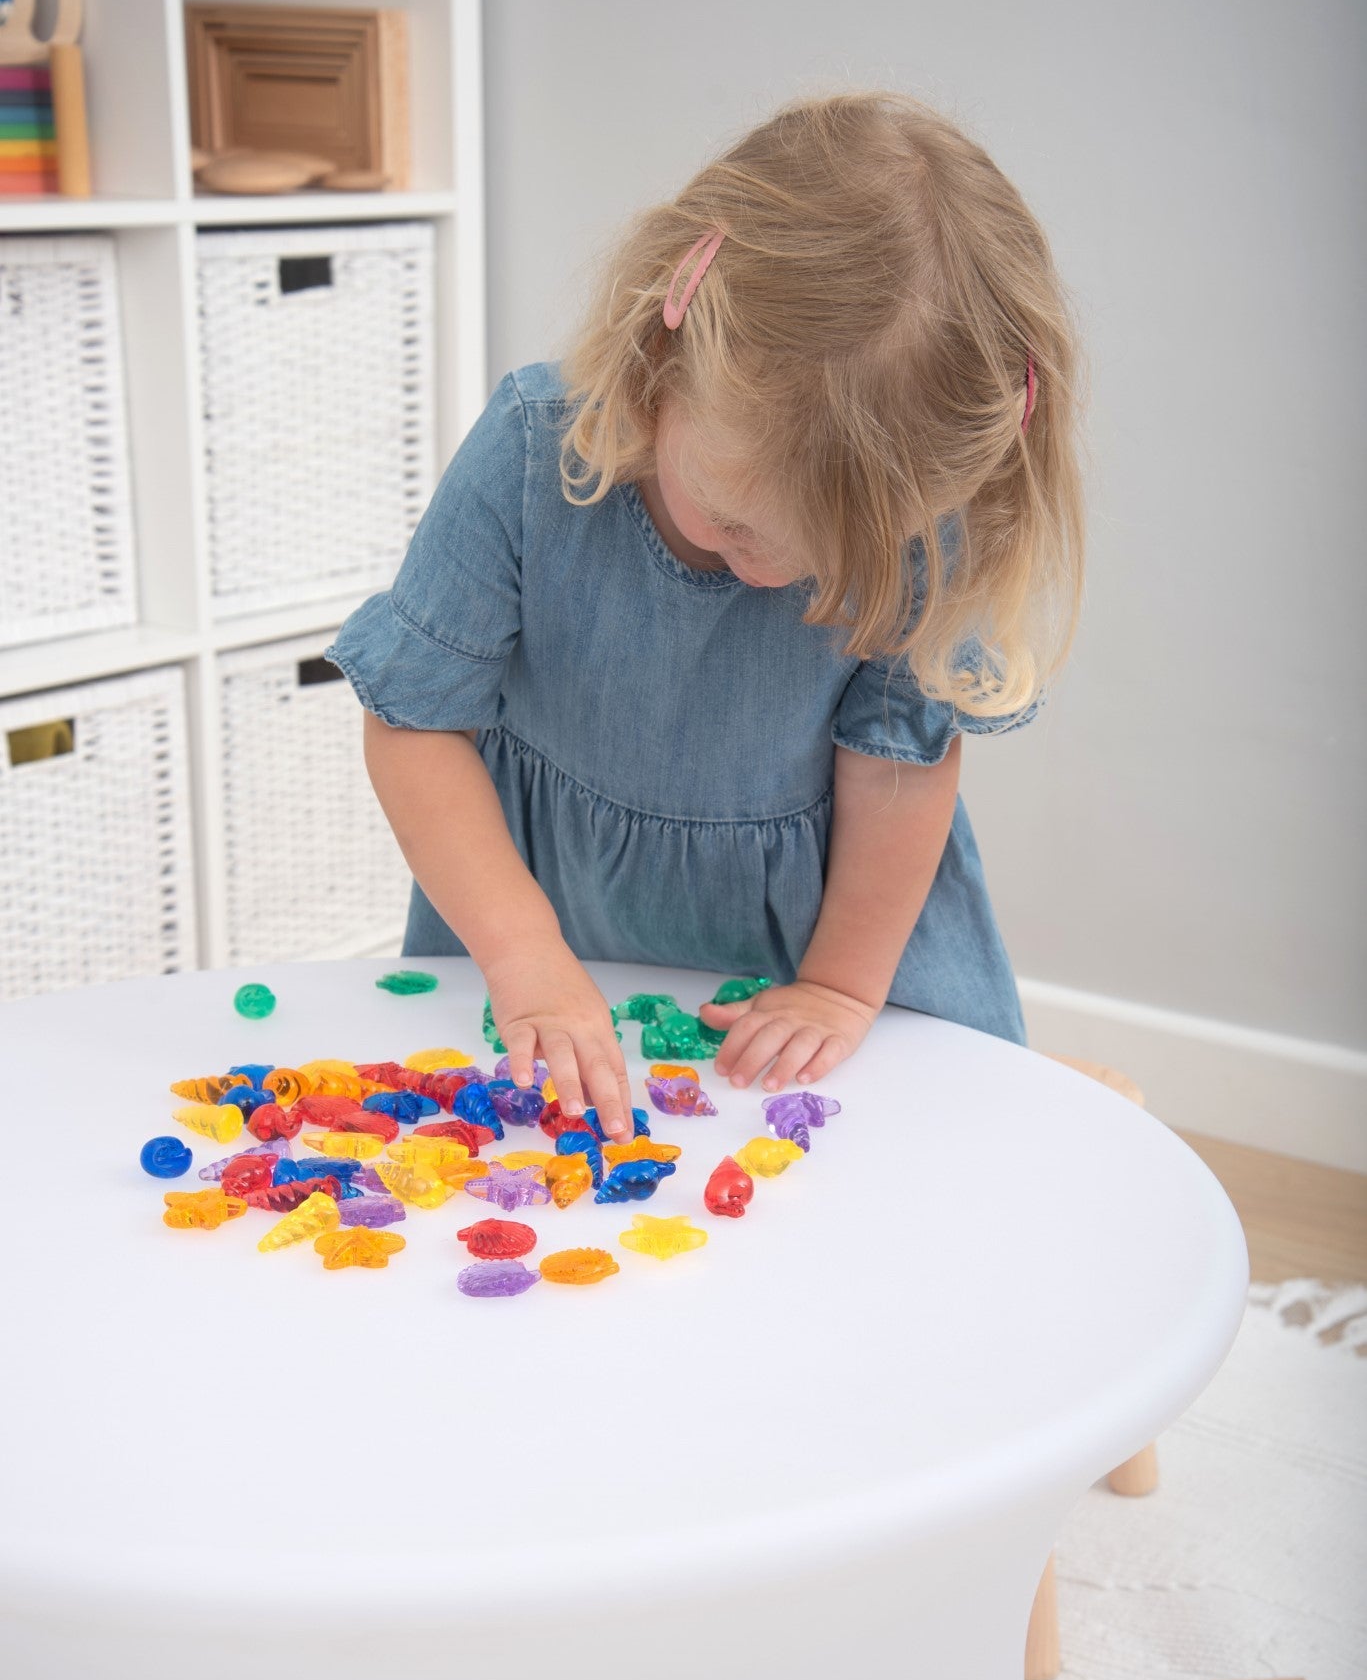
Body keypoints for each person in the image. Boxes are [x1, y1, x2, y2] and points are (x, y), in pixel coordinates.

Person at [327, 90, 1085, 1147]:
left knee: (899, 1220)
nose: (772, 574)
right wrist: (525, 959)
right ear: (666, 343)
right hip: (546, 947)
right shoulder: (532, 453)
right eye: (734, 520)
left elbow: (896, 771)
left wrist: (838, 990)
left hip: (831, 956)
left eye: (832, 561)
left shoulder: (924, 521)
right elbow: (414, 725)